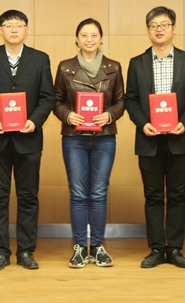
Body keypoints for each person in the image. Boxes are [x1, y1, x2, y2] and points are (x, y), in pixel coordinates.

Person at [0, 9, 55, 271]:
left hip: (28, 138)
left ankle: (26, 250)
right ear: (0, 30)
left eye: (19, 25)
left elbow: (48, 97)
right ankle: (0, 251)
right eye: (8, 25)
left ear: (26, 29)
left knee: (28, 196)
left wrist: (35, 120)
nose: (14, 30)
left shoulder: (40, 59)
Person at [125, 6, 185, 269]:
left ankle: (175, 248)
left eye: (164, 24)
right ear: (148, 30)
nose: (159, 29)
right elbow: (131, 99)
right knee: (153, 195)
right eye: (153, 25)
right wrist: (143, 124)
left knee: (178, 195)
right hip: (149, 139)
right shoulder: (137, 63)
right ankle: (157, 248)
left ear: (174, 28)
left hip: (180, 138)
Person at [53, 18, 125, 268]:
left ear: (101, 38)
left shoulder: (114, 67)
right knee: (78, 193)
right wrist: (67, 115)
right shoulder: (65, 67)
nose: (89, 39)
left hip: (104, 138)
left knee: (98, 192)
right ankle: (79, 247)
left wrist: (109, 115)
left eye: (94, 35)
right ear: (77, 39)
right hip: (74, 139)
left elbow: (121, 101)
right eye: (84, 35)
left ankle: (97, 246)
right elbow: (56, 100)